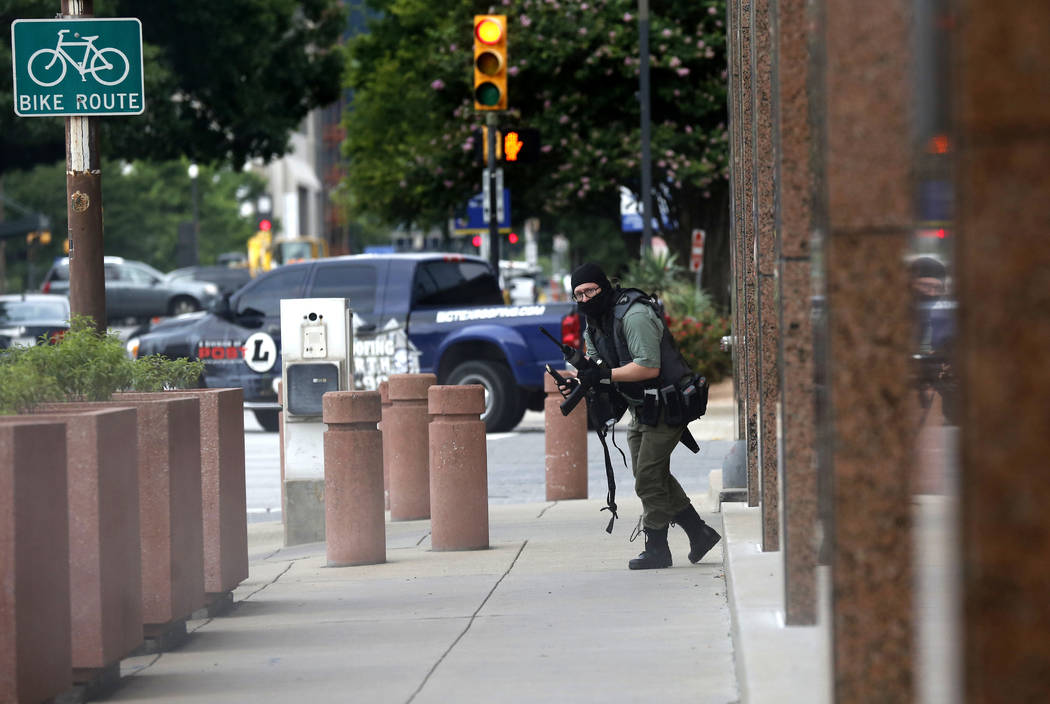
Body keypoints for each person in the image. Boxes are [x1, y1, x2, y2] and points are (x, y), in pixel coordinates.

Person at [566, 262, 721, 570]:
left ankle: (657, 548)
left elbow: (648, 367)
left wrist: (603, 374)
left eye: (590, 291)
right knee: (651, 475)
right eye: (578, 295)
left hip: (668, 403)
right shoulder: (594, 322)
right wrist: (581, 377)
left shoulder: (634, 315)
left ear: (604, 287)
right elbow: (598, 367)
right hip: (642, 407)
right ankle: (699, 533)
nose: (584, 300)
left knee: (648, 478)